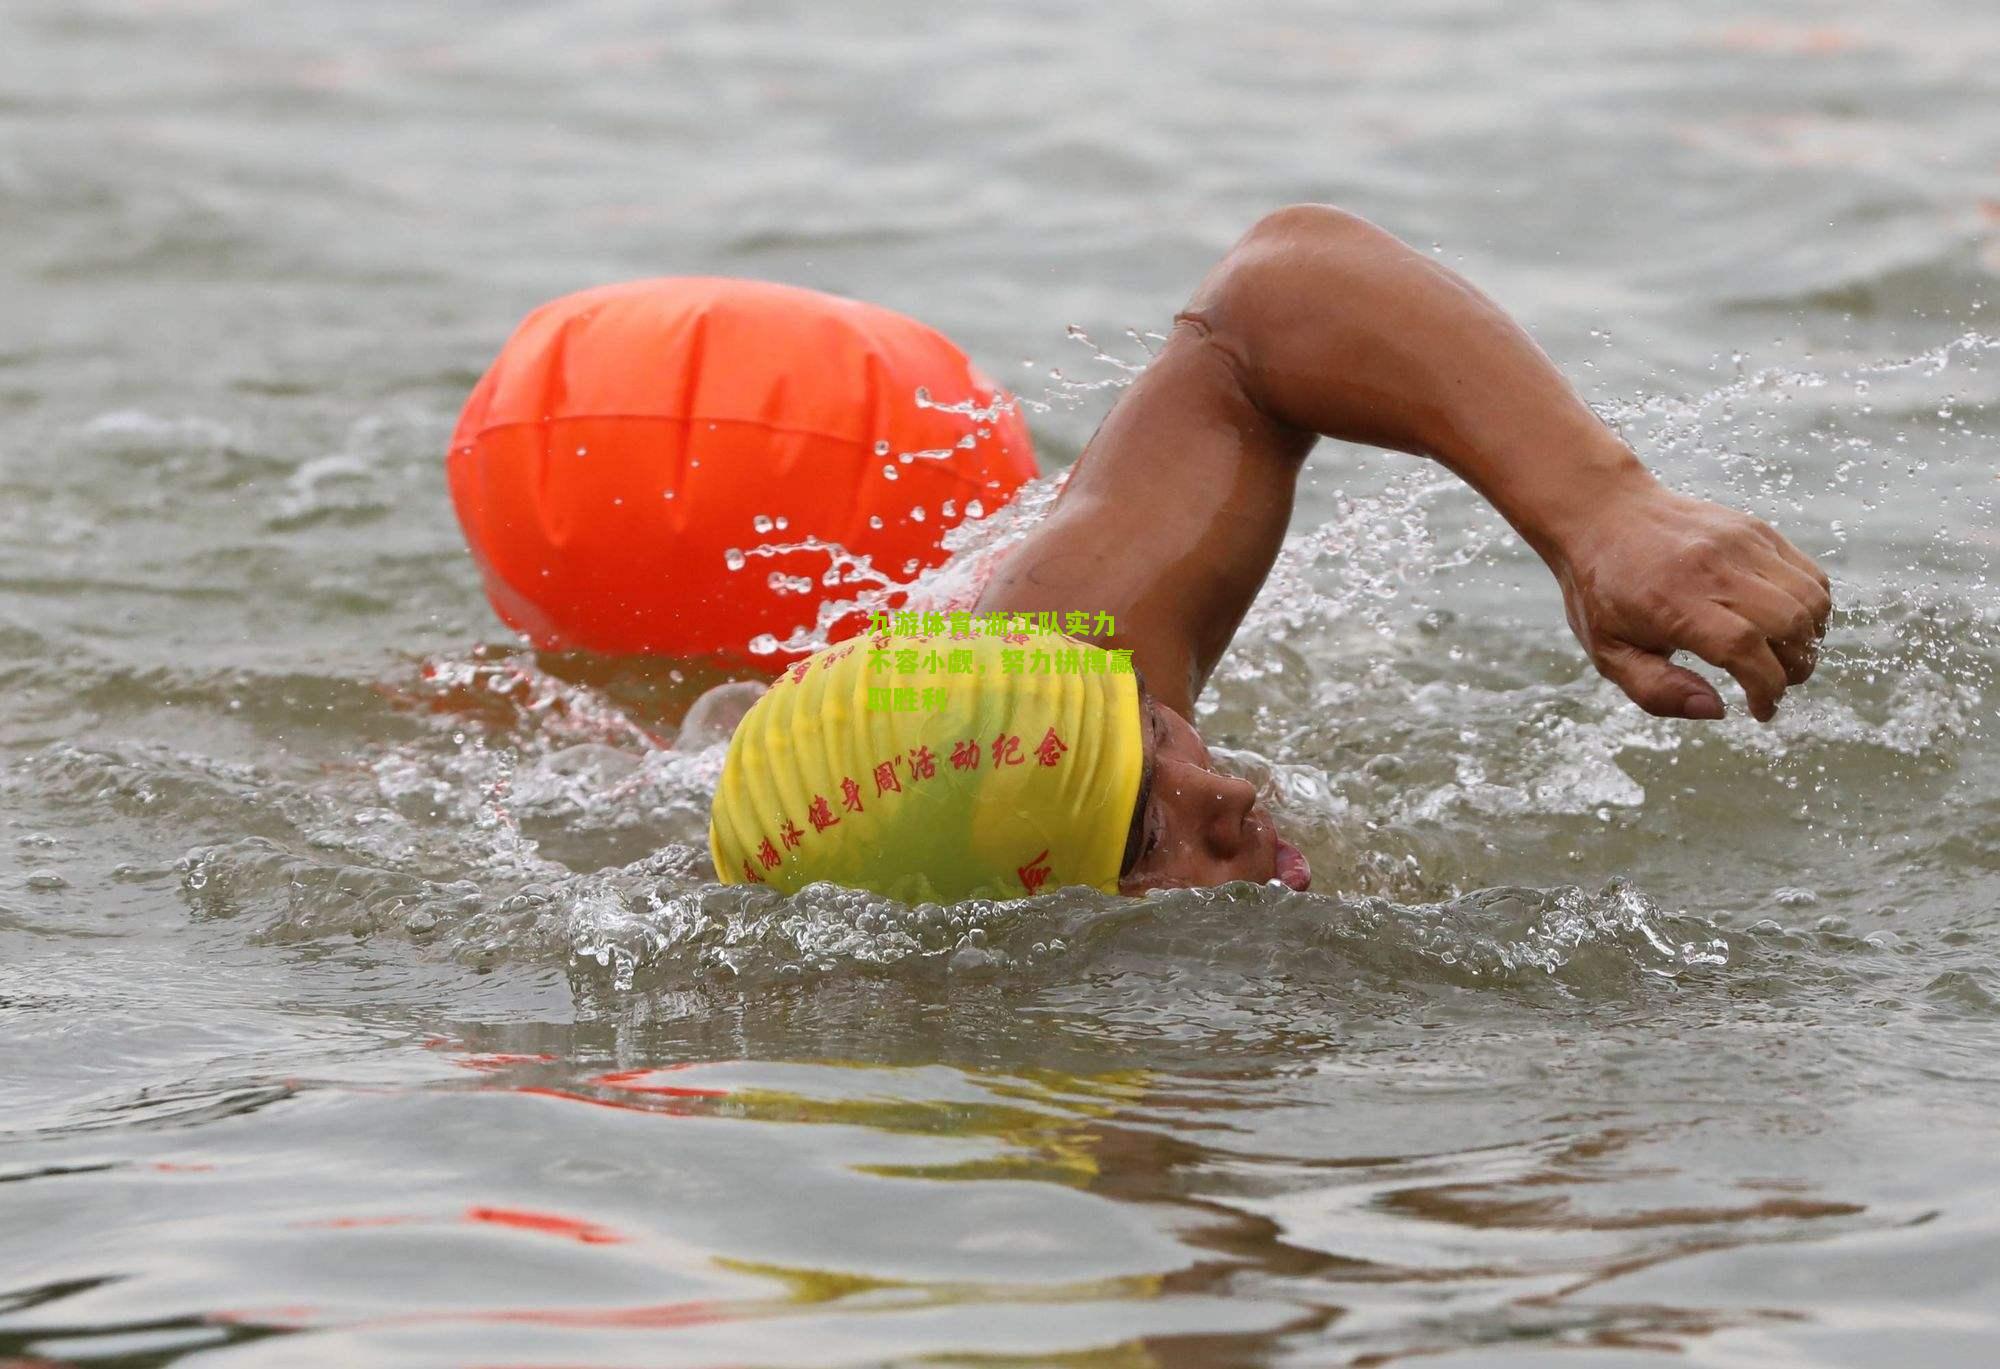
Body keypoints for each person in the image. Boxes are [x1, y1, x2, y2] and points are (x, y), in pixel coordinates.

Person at [708, 205, 1833, 901]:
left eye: (1156, 730)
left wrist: (1597, 508)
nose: (1232, 789)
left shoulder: (1048, 684)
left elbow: (1268, 295)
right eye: (1146, 828)